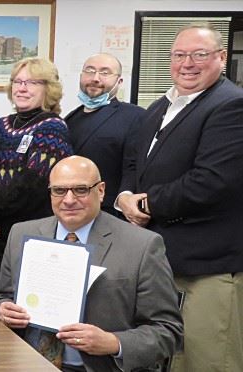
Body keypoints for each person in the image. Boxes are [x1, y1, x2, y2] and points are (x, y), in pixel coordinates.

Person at [115, 25, 243, 372]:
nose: (188, 63)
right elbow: (133, 162)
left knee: (205, 359)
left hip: (206, 266)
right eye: (179, 54)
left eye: (199, 54)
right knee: (166, 358)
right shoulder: (162, 104)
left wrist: (146, 204)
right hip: (163, 260)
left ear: (220, 58)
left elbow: (211, 182)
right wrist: (125, 195)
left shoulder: (231, 106)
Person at [0, 156, 183, 371]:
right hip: (27, 364)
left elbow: (169, 332)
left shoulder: (142, 245)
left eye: (80, 190)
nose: (68, 200)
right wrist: (3, 310)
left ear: (101, 190)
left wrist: (114, 343)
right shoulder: (21, 234)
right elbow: (3, 297)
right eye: (59, 190)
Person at [0, 57, 73, 300]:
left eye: (31, 82)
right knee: (2, 305)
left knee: (30, 308)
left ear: (48, 88)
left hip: (34, 237)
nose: (22, 88)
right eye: (17, 81)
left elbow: (32, 185)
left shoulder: (53, 128)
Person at [62, 53, 144, 218]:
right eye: (90, 71)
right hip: (69, 211)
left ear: (119, 81)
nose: (95, 78)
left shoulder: (134, 116)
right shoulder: (69, 119)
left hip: (109, 213)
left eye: (105, 73)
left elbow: (133, 167)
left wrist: (125, 199)